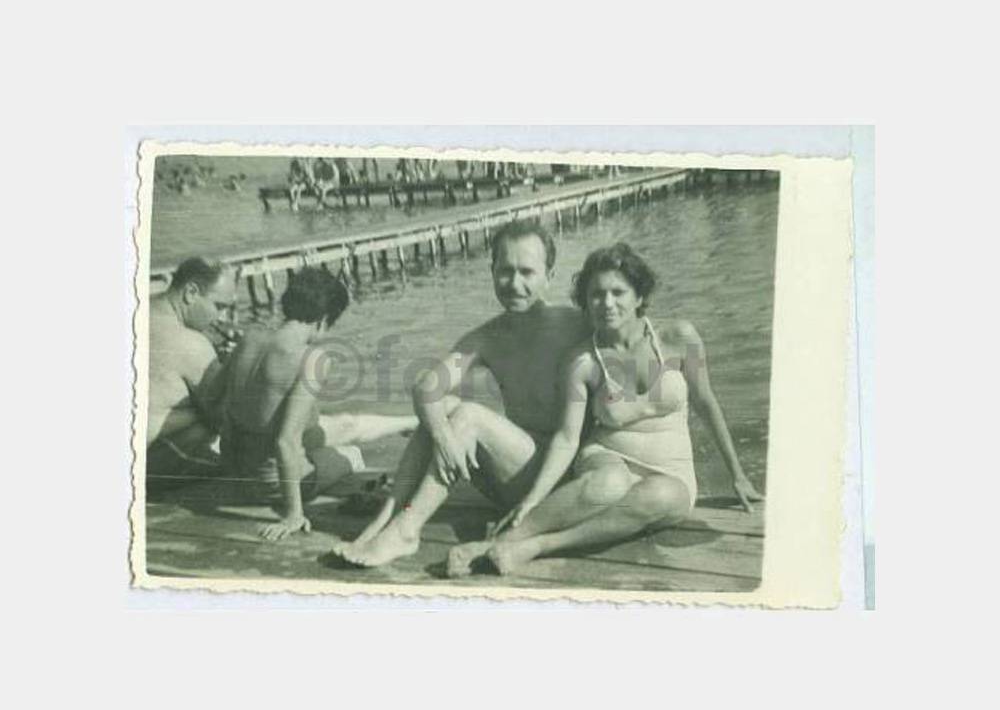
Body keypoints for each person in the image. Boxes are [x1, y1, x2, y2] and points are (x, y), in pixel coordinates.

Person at [447, 242, 764, 576]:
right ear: (585, 302)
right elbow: (567, 438)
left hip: (671, 469)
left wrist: (738, 476)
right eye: (596, 294)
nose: (607, 303)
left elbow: (706, 403)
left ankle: (539, 545)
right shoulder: (582, 361)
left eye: (618, 292)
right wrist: (533, 498)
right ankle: (501, 542)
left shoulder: (679, 337)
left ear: (639, 297)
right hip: (606, 458)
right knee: (610, 482)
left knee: (661, 495)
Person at [329, 219, 590, 567]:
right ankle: (386, 519)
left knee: (469, 416)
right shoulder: (488, 337)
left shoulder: (577, 324)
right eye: (505, 271)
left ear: (549, 276)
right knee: (444, 407)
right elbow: (426, 387)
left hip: (556, 485)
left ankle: (406, 531)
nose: (514, 284)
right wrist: (442, 437)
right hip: (510, 478)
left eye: (527, 272)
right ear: (492, 272)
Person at [221, 266, 417, 542]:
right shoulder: (311, 359)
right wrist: (294, 515)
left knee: (344, 423)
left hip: (239, 471)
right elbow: (285, 442)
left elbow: (223, 408)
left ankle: (413, 422)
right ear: (323, 320)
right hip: (271, 484)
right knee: (352, 455)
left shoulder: (250, 339)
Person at [147, 258, 237, 486]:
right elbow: (226, 417)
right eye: (219, 306)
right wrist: (236, 365)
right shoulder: (191, 344)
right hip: (152, 462)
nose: (222, 318)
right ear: (191, 292)